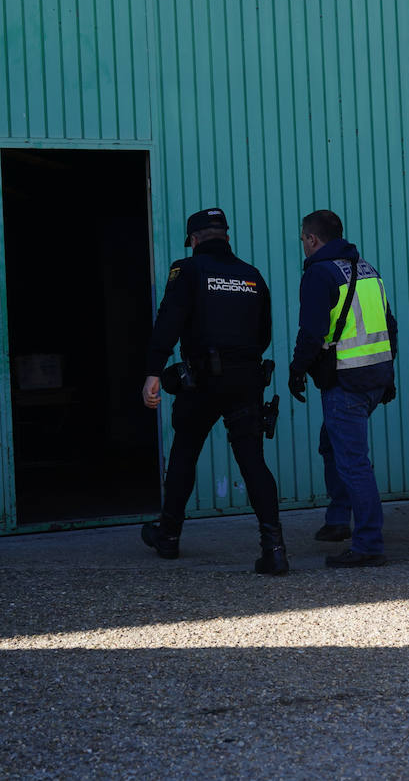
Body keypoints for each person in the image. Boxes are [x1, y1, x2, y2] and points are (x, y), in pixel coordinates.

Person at [140, 207, 288, 575]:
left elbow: (168, 321)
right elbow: (264, 333)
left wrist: (153, 371)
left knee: (185, 453)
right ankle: (275, 549)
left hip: (203, 381)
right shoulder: (251, 276)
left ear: (193, 240)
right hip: (246, 380)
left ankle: (169, 538)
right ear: (227, 236)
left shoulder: (188, 270)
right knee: (252, 460)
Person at [287, 210, 398, 568]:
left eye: (304, 239)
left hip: (346, 380)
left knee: (353, 462)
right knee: (330, 444)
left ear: (312, 240)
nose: (303, 246)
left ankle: (368, 543)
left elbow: (312, 334)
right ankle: (338, 520)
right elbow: (389, 326)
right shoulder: (367, 269)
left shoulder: (320, 273)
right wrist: (388, 375)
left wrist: (296, 370)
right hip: (373, 378)